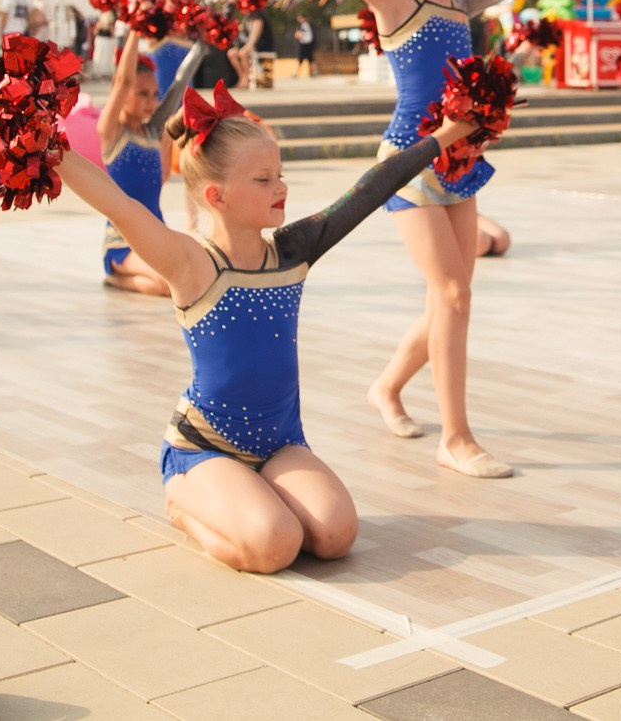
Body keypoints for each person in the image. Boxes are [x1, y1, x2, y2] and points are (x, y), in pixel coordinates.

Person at [53, 83, 485, 572]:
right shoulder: (191, 263)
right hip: (206, 446)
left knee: (336, 536)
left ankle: (252, 495)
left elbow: (372, 187)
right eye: (263, 179)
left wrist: (445, 136)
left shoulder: (293, 251)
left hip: (279, 443)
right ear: (216, 195)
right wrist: (51, 150)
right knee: (275, 547)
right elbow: (119, 205)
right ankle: (184, 502)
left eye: (280, 175)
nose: (281, 188)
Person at [321, 0, 537, 477]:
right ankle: (457, 438)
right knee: (452, 296)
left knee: (452, 296)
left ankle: (387, 387)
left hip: (458, 162)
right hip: (409, 161)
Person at [98, 32, 212, 296]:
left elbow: (179, 84)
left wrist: (201, 45)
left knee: (196, 276)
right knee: (169, 286)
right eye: (141, 94)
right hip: (124, 243)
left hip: (158, 238)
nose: (150, 102)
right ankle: (117, 275)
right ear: (123, 93)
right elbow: (124, 80)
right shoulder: (112, 133)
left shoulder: (154, 133)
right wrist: (137, 30)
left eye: (153, 94)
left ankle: (119, 279)